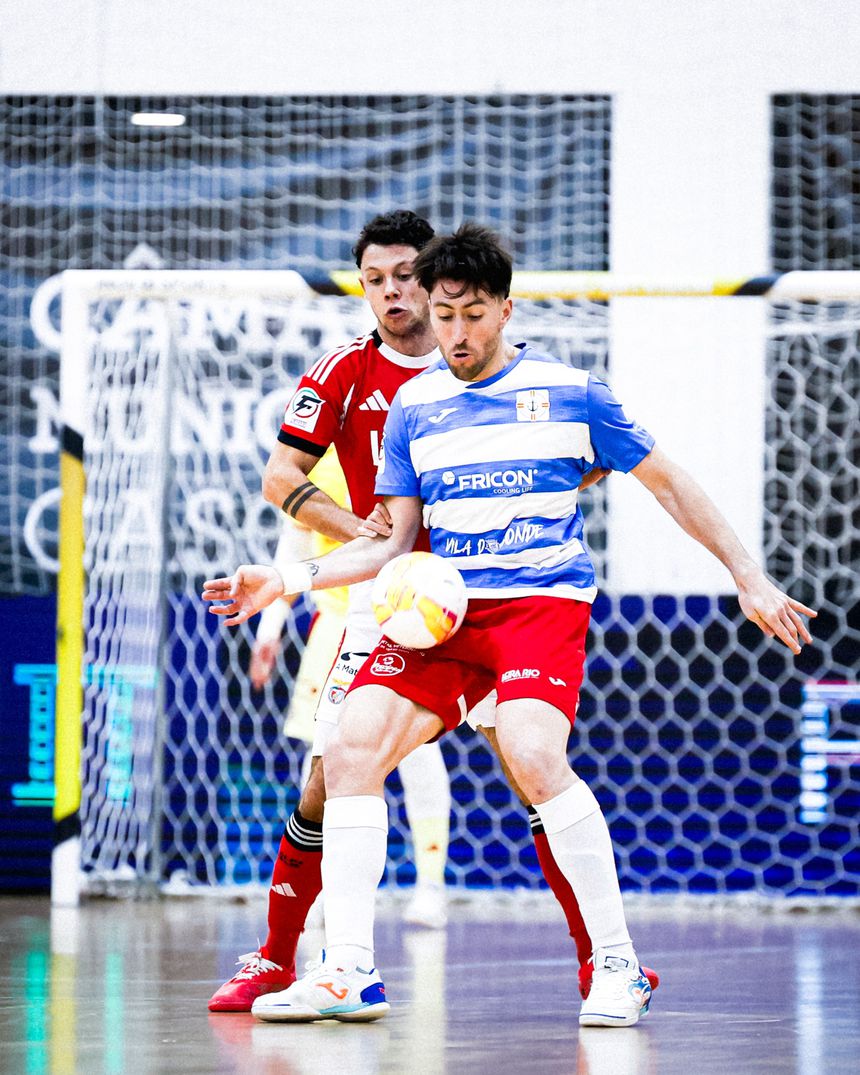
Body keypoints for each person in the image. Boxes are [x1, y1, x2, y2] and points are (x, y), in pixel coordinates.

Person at [204, 223, 816, 1028]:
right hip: (442, 610)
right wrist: (284, 578)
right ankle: (346, 968)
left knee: (531, 752)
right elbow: (388, 539)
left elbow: (670, 483)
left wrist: (749, 576)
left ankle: (616, 962)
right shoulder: (415, 407)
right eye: (445, 314)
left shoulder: (573, 392)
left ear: (505, 309)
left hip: (537, 608)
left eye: (472, 315)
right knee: (349, 743)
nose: (455, 333)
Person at [208, 211, 626, 1013]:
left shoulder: (488, 363)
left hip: (499, 595)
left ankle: (601, 963)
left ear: (439, 282)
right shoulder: (347, 373)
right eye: (376, 279)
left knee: (533, 770)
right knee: (333, 767)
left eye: (407, 275)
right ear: (362, 286)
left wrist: (543, 493)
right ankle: (280, 955)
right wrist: (356, 533)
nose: (393, 291)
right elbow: (279, 477)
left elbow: (591, 455)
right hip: (393, 595)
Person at [249, 445, 452, 930]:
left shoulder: (420, 444)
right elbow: (293, 544)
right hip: (338, 620)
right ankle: (317, 890)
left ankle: (430, 884)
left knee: (417, 751)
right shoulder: (322, 459)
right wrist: (269, 629)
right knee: (323, 757)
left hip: (411, 619)